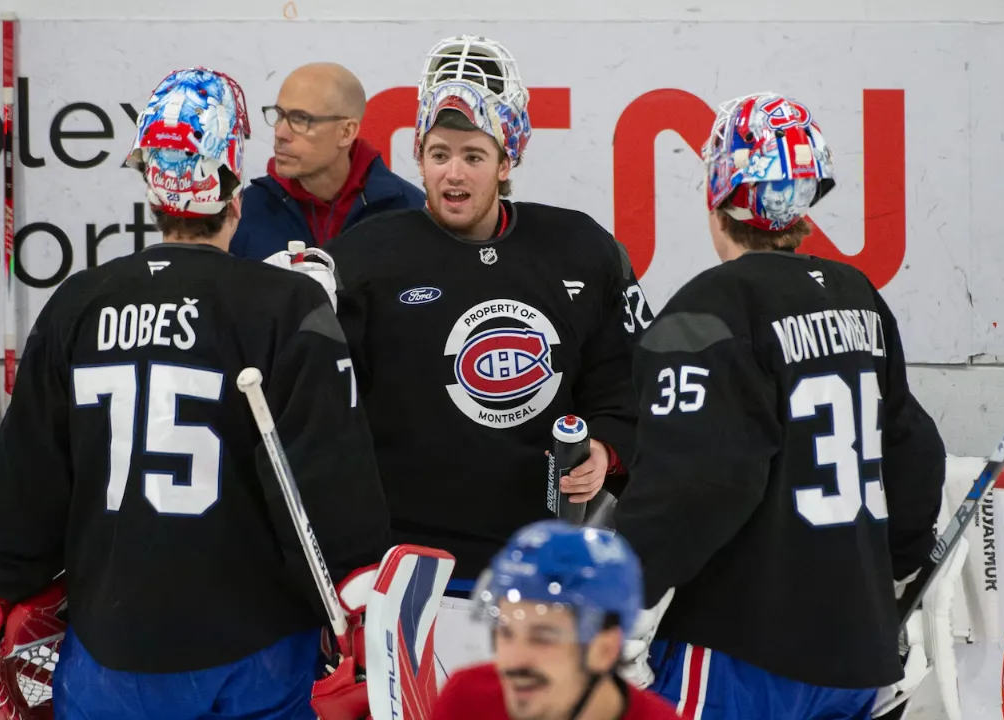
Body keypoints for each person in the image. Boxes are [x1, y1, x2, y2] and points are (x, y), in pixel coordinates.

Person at [0, 67, 391, 720]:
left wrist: (4, 587)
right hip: (260, 651)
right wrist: (353, 601)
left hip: (112, 650)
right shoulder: (286, 303)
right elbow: (329, 487)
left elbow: (24, 484)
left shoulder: (78, 303)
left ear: (153, 193)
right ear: (233, 191)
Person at [321, 33, 654, 680]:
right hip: (411, 579)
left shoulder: (581, 249)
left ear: (507, 161)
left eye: (474, 155)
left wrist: (606, 451)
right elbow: (324, 420)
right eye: (439, 154)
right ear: (417, 157)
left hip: (543, 582)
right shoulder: (364, 259)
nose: (454, 172)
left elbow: (631, 387)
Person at [610, 92, 947, 719]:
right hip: (856, 657)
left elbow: (696, 484)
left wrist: (616, 605)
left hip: (743, 652)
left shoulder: (706, 312)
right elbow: (914, 447)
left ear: (719, 191)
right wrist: (896, 563)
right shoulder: (858, 296)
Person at [430, 520, 681, 720]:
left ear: (604, 650)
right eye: (506, 632)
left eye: (543, 638)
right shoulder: (469, 697)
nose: (513, 660)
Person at [229, 61, 425, 258]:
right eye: (280, 115)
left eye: (300, 119)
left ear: (346, 132)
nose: (280, 132)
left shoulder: (409, 212)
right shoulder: (242, 214)